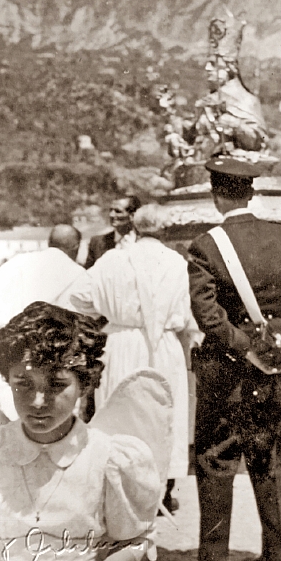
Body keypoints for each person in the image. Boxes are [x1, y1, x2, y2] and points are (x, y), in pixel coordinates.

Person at [0, 303, 164, 561]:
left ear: (84, 383)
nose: (38, 401)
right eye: (24, 385)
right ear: (7, 380)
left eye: (56, 385)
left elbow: (137, 540)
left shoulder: (107, 457)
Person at [187, 155, 281, 561]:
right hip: (276, 369)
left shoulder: (205, 246)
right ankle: (280, 559)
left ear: (216, 195)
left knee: (216, 457)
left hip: (225, 369)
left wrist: (246, 347)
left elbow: (208, 316)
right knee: (273, 458)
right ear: (252, 193)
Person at [69, 204, 201, 512]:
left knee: (123, 414)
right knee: (161, 415)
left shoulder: (114, 259)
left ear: (135, 228)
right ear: (164, 230)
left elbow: (80, 296)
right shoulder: (177, 263)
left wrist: (109, 310)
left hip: (124, 342)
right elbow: (190, 310)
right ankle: (162, 491)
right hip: (165, 346)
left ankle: (121, 489)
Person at [0, 224, 85, 331]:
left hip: (10, 336)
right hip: (51, 340)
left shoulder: (19, 261)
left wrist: (5, 326)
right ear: (76, 246)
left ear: (49, 243)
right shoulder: (79, 273)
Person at [84, 195, 141, 269]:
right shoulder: (97, 242)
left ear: (132, 215)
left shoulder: (143, 242)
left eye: (118, 211)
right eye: (110, 210)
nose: (111, 215)